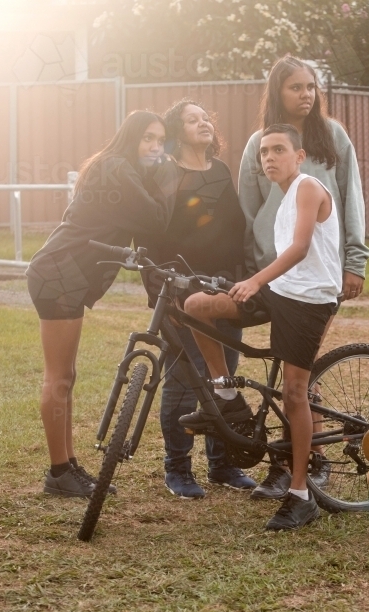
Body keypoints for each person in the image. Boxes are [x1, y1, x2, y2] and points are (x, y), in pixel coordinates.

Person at [180, 124, 341, 531]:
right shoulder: (282, 195)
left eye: (278, 150)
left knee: (293, 393)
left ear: (299, 155)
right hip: (280, 291)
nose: (268, 157)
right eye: (264, 152)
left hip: (309, 300)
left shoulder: (307, 187)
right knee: (196, 306)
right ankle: (227, 393)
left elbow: (300, 248)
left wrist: (255, 280)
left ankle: (301, 494)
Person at [239, 54, 369, 501]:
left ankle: (306, 465)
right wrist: (256, 272)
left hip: (316, 276)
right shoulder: (260, 143)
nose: (306, 94)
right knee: (281, 372)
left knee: (298, 374)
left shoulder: (332, 137)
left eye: (311, 86)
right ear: (277, 92)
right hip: (271, 276)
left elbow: (352, 198)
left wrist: (355, 260)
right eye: (296, 87)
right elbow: (249, 209)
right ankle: (287, 461)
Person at [26, 111, 177, 499]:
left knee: (66, 376)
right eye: (147, 138)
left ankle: (68, 465)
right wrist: (169, 176)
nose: (155, 147)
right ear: (129, 137)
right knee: (58, 377)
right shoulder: (117, 169)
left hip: (62, 273)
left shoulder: (115, 168)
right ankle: (59, 472)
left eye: (160, 140)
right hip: (59, 274)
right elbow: (157, 220)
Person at [138, 99, 257, 499]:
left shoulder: (221, 171)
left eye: (207, 117)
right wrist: (159, 289)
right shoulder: (166, 173)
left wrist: (242, 281)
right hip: (180, 293)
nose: (203, 123)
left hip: (225, 290)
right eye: (192, 120)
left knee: (224, 378)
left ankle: (222, 465)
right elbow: (150, 235)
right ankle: (178, 468)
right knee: (184, 382)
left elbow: (234, 231)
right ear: (177, 131)